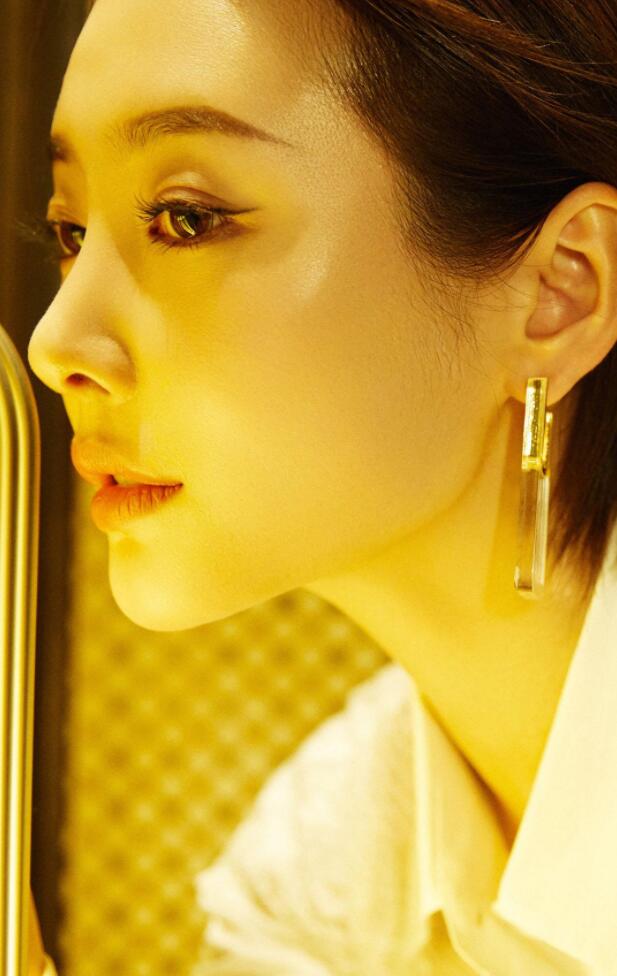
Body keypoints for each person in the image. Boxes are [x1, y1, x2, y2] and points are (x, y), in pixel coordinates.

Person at [25, 0, 617, 972]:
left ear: (560, 289)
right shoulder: (326, 868)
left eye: (184, 218)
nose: (55, 344)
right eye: (70, 230)